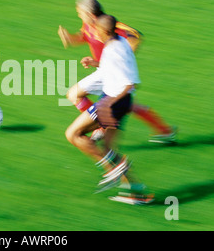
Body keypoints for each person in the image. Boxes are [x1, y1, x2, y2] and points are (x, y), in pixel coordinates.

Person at [59, 0, 177, 144]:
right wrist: (70, 38)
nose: (79, 16)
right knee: (127, 105)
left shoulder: (109, 25)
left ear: (89, 14)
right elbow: (84, 37)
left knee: (78, 95)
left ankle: (100, 126)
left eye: (80, 13)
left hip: (113, 72)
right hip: (102, 70)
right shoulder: (88, 25)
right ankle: (165, 131)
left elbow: (136, 36)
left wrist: (124, 58)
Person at [65, 14, 154, 204]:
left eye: (96, 30)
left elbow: (130, 83)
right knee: (107, 147)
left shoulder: (115, 50)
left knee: (73, 134)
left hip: (112, 102)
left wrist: (110, 104)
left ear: (105, 31)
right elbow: (114, 68)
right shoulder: (119, 42)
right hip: (120, 102)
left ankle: (113, 169)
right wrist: (94, 63)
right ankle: (136, 192)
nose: (94, 33)